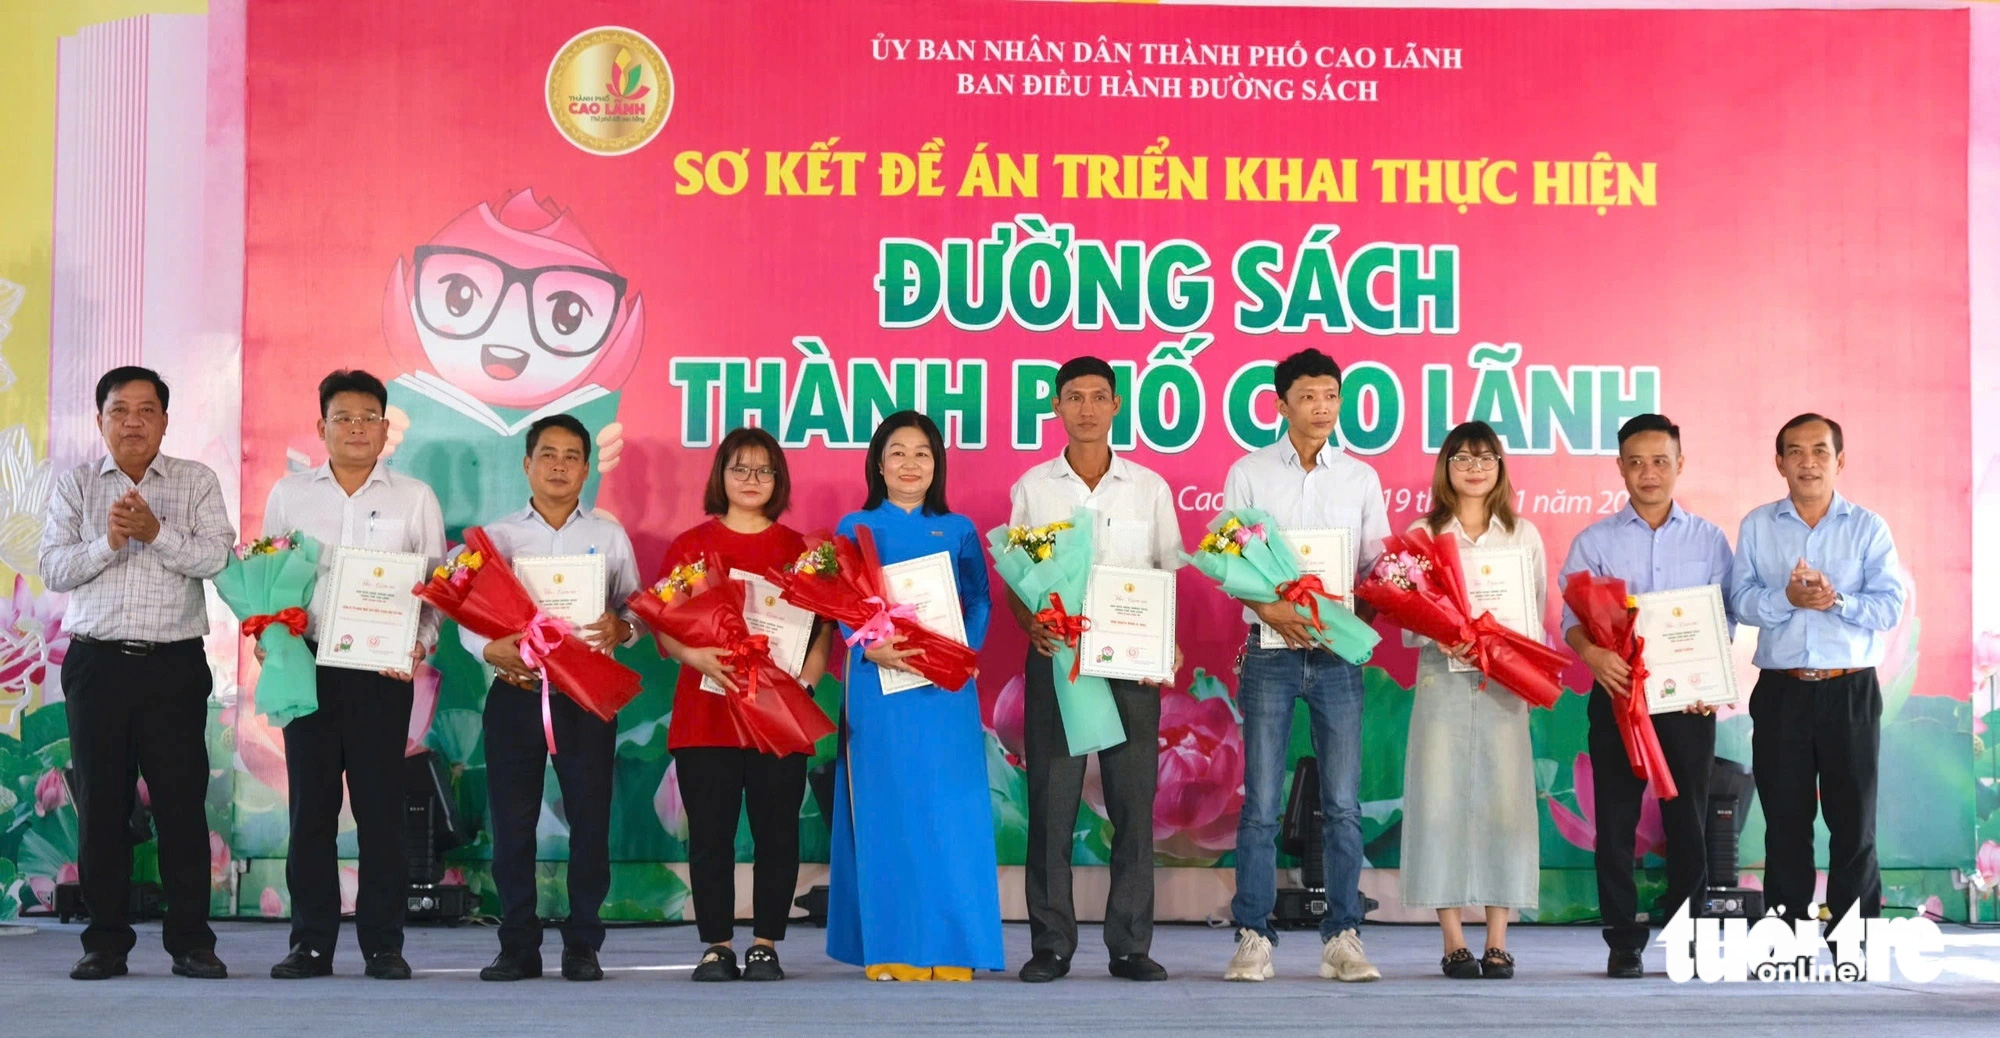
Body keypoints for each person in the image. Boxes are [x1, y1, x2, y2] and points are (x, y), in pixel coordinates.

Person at [40, 366, 233, 981]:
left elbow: (218, 557)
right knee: (102, 805)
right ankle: (105, 942)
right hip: (97, 665)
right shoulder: (74, 486)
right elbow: (52, 568)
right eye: (120, 410)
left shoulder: (195, 481)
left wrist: (158, 532)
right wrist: (110, 542)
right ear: (100, 420)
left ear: (165, 421)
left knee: (182, 805)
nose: (133, 422)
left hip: (173, 666)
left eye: (146, 410)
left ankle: (191, 943)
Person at [261, 370, 445, 980]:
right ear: (322, 427)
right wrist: (269, 635)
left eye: (370, 417)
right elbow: (267, 578)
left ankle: (383, 945)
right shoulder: (289, 494)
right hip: (308, 665)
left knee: (380, 812)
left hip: (380, 670)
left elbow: (438, 586)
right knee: (309, 811)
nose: (358, 428)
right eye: (345, 417)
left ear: (386, 428)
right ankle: (311, 942)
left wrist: (418, 643)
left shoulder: (414, 496)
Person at [1005, 357, 1181, 984]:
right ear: (1056, 407)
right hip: (1059, 664)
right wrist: (1031, 623)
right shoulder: (1034, 488)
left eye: (1097, 397)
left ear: (1116, 405)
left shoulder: (1148, 488)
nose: (1085, 408)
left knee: (1134, 807)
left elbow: (1166, 573)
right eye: (1073, 397)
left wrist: (1166, 643)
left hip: (1131, 666)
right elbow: (1017, 579)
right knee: (1052, 807)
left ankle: (1130, 945)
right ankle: (1050, 944)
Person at [1220, 348, 1388, 983]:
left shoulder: (1360, 478)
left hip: (1337, 656)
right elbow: (1229, 563)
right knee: (1261, 802)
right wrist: (1274, 609)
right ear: (1281, 404)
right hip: (1269, 651)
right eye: (1310, 395)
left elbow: (1375, 567)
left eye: (1332, 396)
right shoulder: (1250, 473)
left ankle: (1343, 935)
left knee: (1344, 803)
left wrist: (1358, 619)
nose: (1323, 407)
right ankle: (1252, 936)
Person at [464, 415, 641, 983]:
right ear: (527, 464)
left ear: (587, 469)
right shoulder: (498, 537)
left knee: (590, 820)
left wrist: (624, 629)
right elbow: (468, 615)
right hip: (515, 694)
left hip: (586, 696)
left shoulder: (609, 536)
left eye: (571, 456)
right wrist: (492, 650)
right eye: (548, 455)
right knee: (511, 823)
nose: (559, 466)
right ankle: (517, 943)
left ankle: (583, 942)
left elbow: (635, 607)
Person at [825, 410, 1001, 980]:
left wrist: (961, 653)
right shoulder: (855, 527)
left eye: (922, 453)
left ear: (937, 465)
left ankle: (955, 947)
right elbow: (839, 606)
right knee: (887, 810)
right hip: (879, 685)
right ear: (878, 462)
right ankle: (893, 944)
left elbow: (979, 601)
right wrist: (864, 644)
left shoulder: (957, 530)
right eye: (897, 452)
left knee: (951, 811)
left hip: (945, 689)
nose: (909, 464)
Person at [1560, 414, 1735, 977]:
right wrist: (1592, 654)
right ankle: (1623, 941)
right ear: (1620, 467)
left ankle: (1687, 940)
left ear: (1679, 465)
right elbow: (1573, 620)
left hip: (1685, 707)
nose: (1648, 473)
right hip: (1617, 699)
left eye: (1660, 461)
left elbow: (1723, 619)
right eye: (1635, 461)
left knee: (1689, 821)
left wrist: (1708, 683)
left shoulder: (1709, 539)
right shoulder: (1595, 541)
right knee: (1614, 824)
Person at [657, 427, 833, 983]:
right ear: (721, 476)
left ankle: (764, 945)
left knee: (776, 831)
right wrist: (697, 655)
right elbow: (664, 633)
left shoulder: (802, 551)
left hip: (778, 715)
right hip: (706, 713)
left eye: (764, 470)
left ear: (779, 480)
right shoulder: (690, 547)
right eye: (741, 468)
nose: (752, 480)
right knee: (710, 833)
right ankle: (715, 945)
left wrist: (805, 680)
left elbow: (820, 634)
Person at [1730, 413, 1905, 928]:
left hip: (1848, 689)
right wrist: (1785, 598)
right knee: (1785, 822)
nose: (1808, 462)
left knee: (1854, 821)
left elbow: (1890, 607)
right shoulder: (1758, 525)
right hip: (1782, 692)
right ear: (1779, 462)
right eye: (1796, 452)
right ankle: (1785, 933)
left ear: (1840, 460)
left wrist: (1838, 600)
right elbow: (1739, 602)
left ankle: (1855, 936)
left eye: (1820, 451)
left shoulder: (1869, 527)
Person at [1400, 422, 1546, 980]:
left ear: (1500, 467)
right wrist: (1442, 632)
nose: (1474, 467)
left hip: (1506, 683)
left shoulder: (1523, 534)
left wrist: (1523, 669)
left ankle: (1498, 941)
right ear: (1446, 467)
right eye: (1462, 457)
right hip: (1443, 679)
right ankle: (1453, 939)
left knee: (1504, 806)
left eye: (1485, 457)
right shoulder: (1422, 533)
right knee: (1439, 801)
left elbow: (1534, 614)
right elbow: (1410, 621)